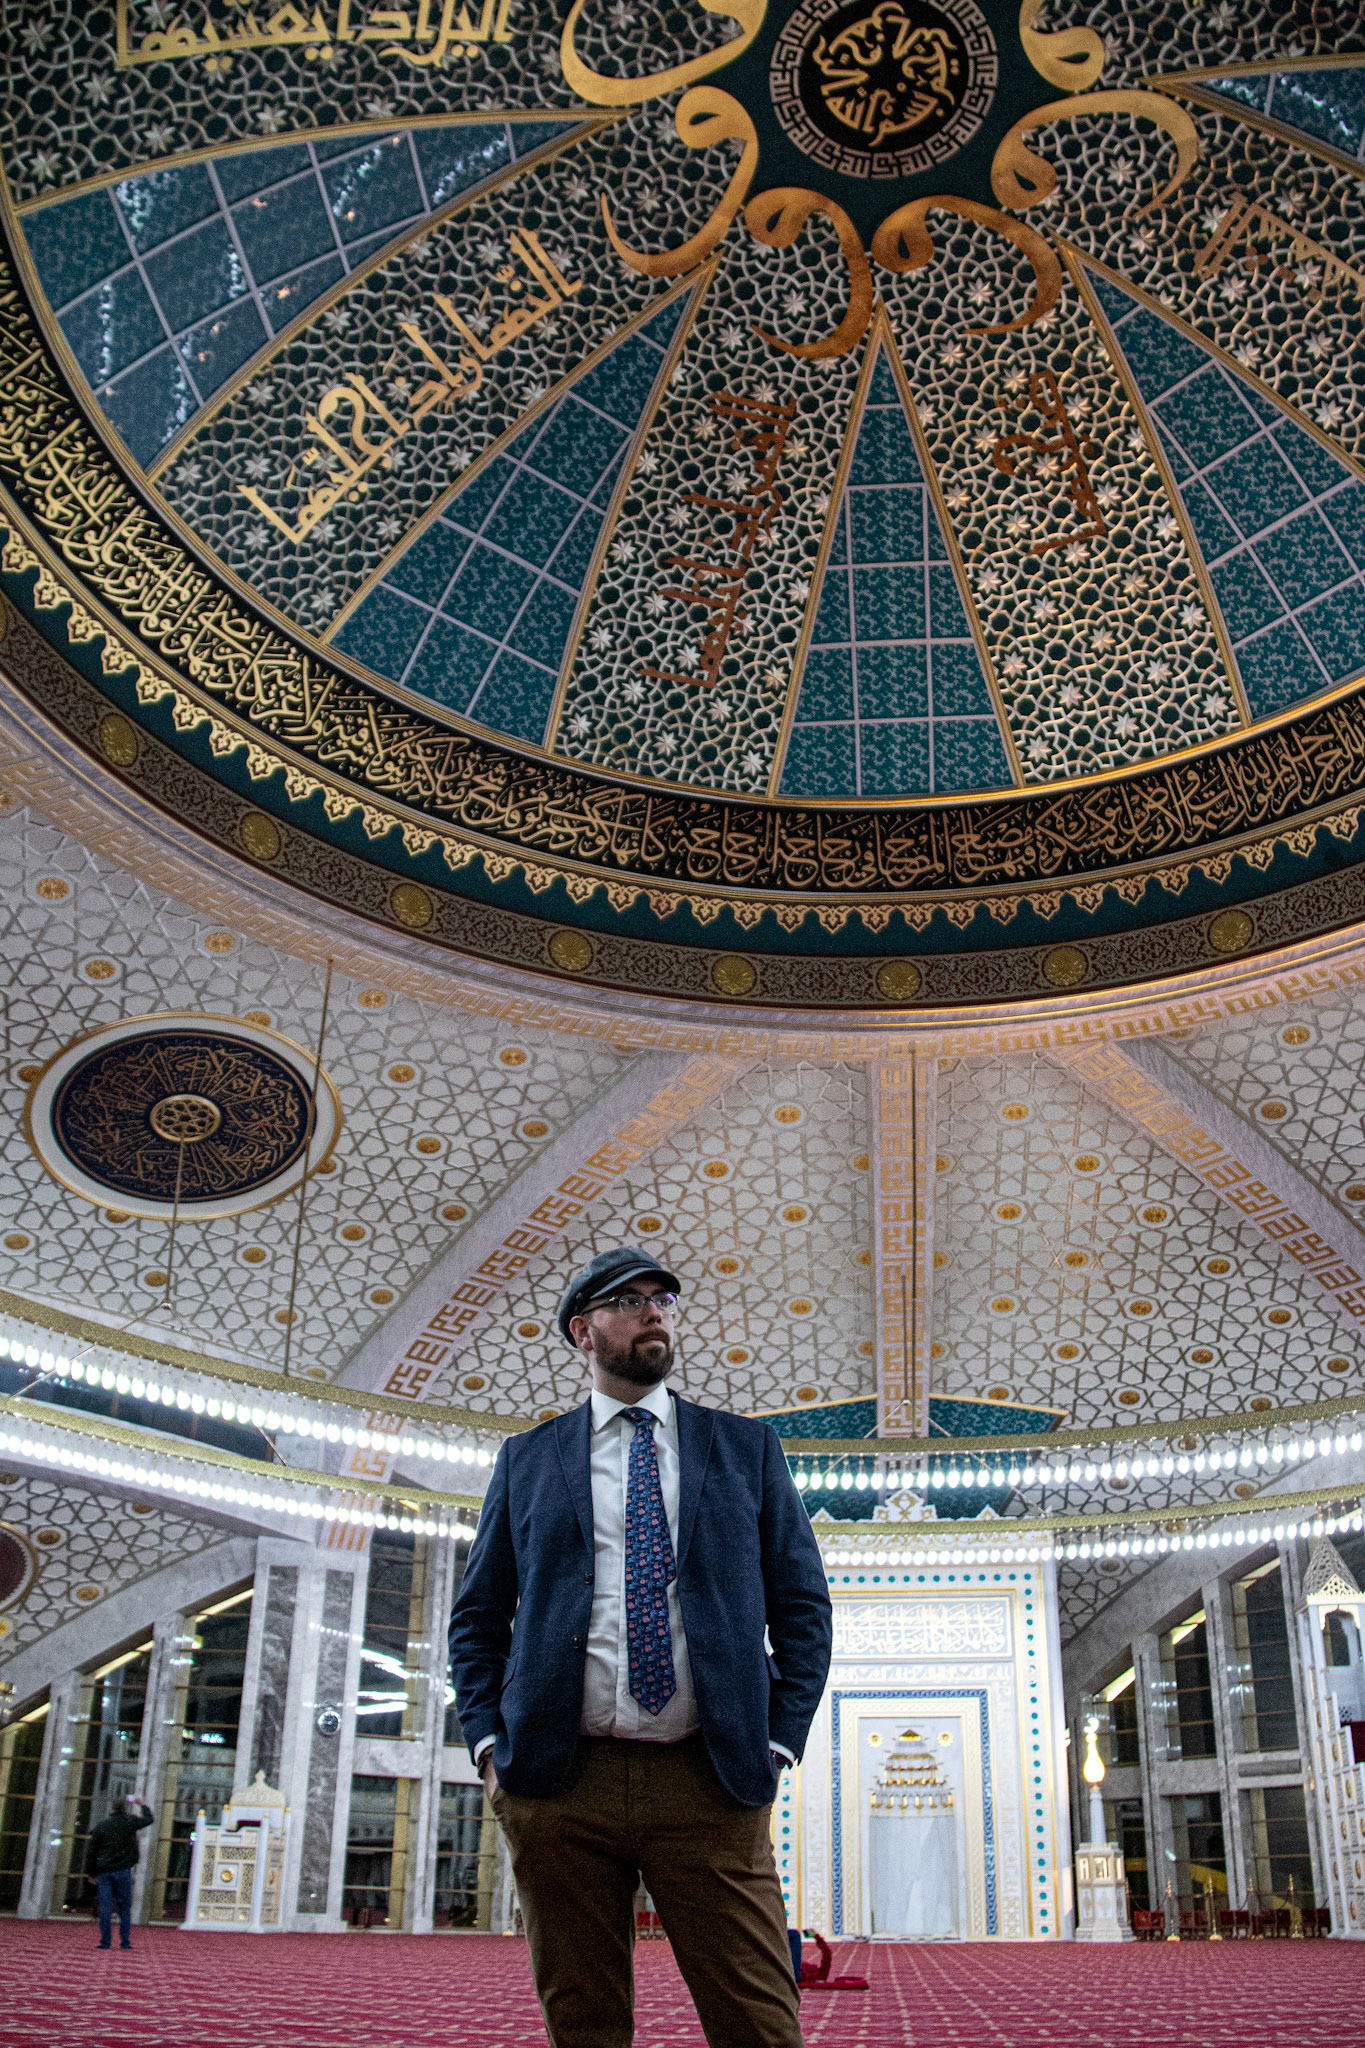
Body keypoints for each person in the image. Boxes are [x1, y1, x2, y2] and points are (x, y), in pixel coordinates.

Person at [449, 1245, 832, 2048]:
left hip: (709, 1779)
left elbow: (802, 1608)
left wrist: (777, 1741)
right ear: (583, 1331)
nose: (654, 1310)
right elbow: (479, 1614)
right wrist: (488, 1744)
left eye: (662, 1298)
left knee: (760, 2021)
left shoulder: (745, 1448)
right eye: (628, 1300)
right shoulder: (528, 1458)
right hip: (559, 1783)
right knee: (582, 2019)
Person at [85, 1794, 153, 1949]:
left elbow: (92, 1852)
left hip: (105, 1871)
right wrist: (142, 1805)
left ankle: (105, 1942)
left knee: (105, 1908)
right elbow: (149, 1819)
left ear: (112, 1808)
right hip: (122, 1870)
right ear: (126, 1808)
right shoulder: (129, 1822)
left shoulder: (102, 1825)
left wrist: (91, 1873)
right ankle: (125, 1942)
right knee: (124, 1908)